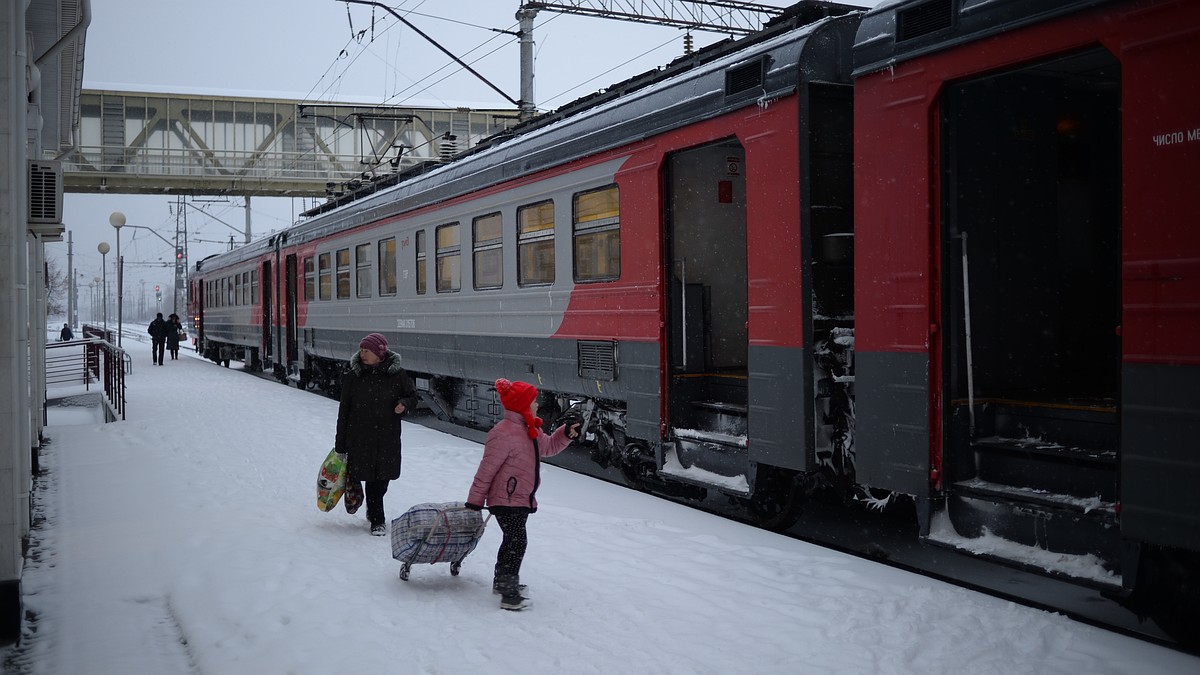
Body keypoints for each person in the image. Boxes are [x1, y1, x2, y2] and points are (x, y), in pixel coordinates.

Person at [466, 378, 581, 611]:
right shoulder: (502, 433)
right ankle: (508, 590)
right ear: (522, 405)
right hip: (505, 498)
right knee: (517, 541)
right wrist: (475, 501)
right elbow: (486, 470)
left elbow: (548, 447)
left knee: (512, 540)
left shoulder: (530, 430)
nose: (537, 405)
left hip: (521, 497)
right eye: (533, 401)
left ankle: (502, 581)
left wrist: (565, 433)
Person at [334, 333, 418, 536]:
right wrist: (340, 444)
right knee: (370, 479)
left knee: (381, 481)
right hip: (360, 438)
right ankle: (377, 520)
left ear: (379, 353)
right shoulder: (354, 376)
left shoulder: (396, 374)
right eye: (361, 350)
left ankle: (373, 510)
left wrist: (403, 405)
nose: (362, 354)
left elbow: (413, 396)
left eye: (367, 351)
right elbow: (344, 411)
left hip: (387, 438)